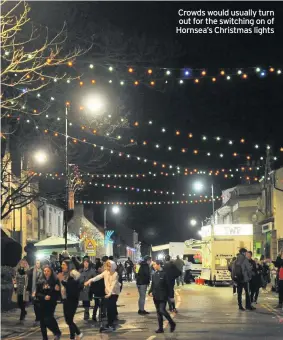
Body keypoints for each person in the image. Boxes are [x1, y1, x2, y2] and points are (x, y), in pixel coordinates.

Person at [85, 260, 121, 331]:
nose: (108, 267)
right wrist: (90, 280)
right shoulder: (106, 272)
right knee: (109, 308)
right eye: (107, 266)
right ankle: (110, 324)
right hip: (108, 293)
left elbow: (113, 285)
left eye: (110, 266)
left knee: (111, 308)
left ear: (113, 267)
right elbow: (98, 277)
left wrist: (110, 293)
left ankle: (110, 324)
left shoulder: (115, 274)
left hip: (114, 293)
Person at [58, 259, 83, 340]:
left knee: (69, 319)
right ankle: (75, 335)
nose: (62, 266)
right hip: (65, 299)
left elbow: (75, 282)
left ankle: (76, 334)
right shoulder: (64, 274)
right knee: (68, 319)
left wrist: (62, 280)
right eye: (62, 264)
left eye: (64, 264)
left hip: (72, 299)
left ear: (69, 265)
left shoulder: (72, 272)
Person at [148, 260, 176, 334]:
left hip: (163, 296)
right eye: (153, 265)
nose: (153, 266)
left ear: (158, 265)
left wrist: (170, 296)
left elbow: (169, 286)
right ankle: (160, 328)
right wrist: (150, 291)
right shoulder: (154, 274)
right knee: (158, 312)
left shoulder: (164, 274)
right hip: (156, 295)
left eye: (154, 264)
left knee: (162, 310)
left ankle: (172, 323)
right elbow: (153, 285)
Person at [36, 265, 61, 340]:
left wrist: (57, 290)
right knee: (42, 321)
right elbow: (37, 293)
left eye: (48, 271)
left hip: (51, 303)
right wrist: (44, 297)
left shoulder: (55, 280)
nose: (46, 272)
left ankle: (57, 332)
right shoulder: (40, 280)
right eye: (45, 271)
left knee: (48, 319)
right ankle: (44, 337)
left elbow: (57, 294)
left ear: (51, 272)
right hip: (41, 303)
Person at [27, 259, 43, 326]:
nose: (37, 265)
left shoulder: (43, 271)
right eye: (36, 263)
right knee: (35, 306)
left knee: (39, 306)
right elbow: (29, 279)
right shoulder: (32, 271)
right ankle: (37, 319)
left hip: (40, 291)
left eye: (39, 263)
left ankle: (39, 319)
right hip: (33, 290)